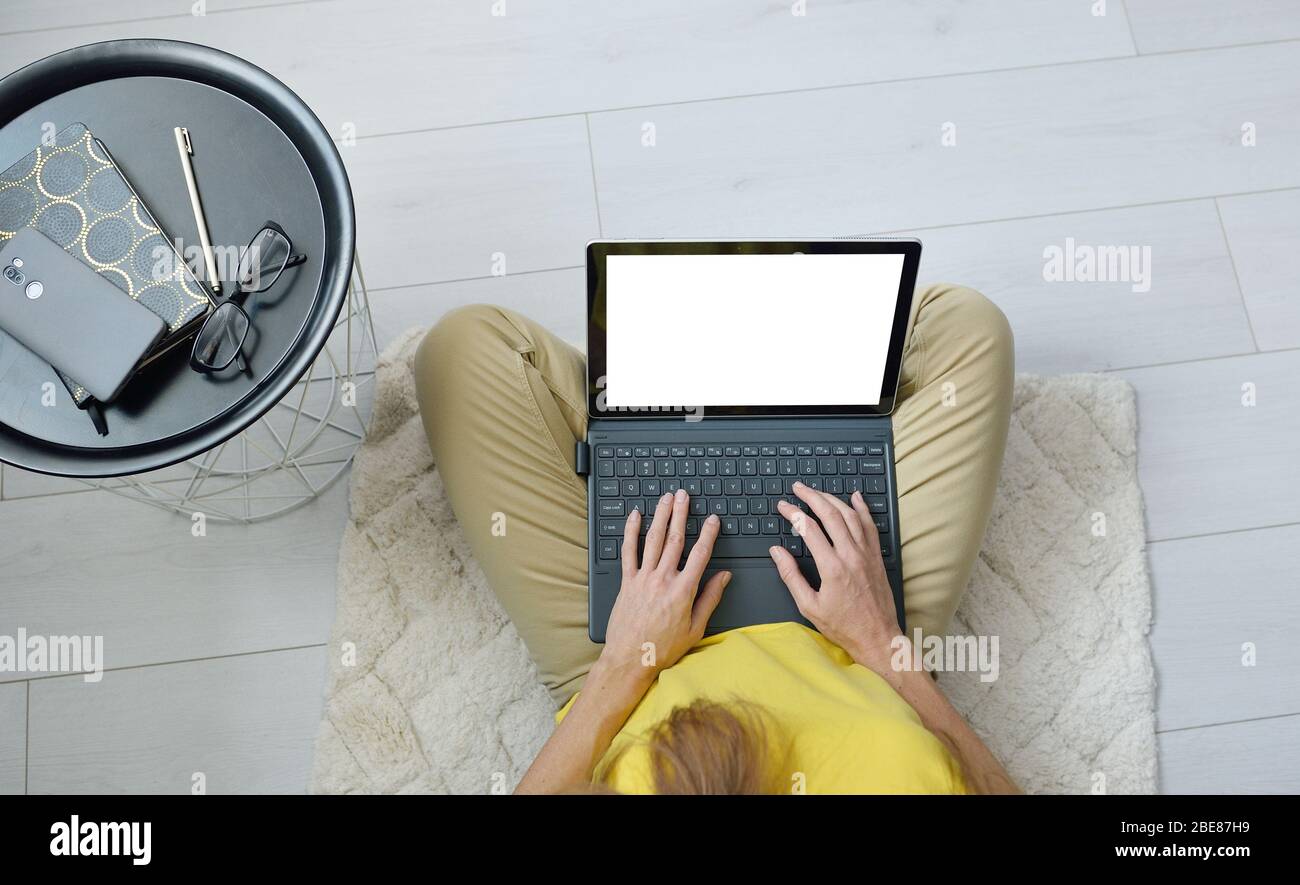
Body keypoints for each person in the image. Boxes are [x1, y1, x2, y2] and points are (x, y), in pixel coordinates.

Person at [414, 283, 1017, 794]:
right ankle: (756, 413)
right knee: (967, 324)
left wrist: (626, 659)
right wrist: (885, 648)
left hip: (629, 660)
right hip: (857, 642)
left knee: (462, 348)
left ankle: (650, 422)